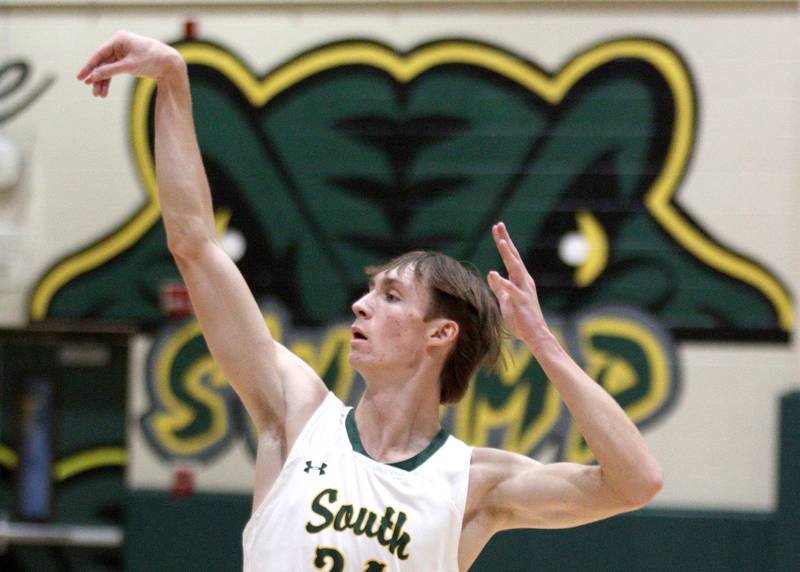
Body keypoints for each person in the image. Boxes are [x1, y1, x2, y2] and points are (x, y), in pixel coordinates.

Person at [78, 31, 662, 571]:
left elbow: (636, 483)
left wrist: (542, 342)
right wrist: (175, 81)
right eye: (368, 292)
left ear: (440, 333)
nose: (360, 306)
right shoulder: (296, 415)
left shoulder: (472, 483)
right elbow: (195, 244)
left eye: (390, 296)